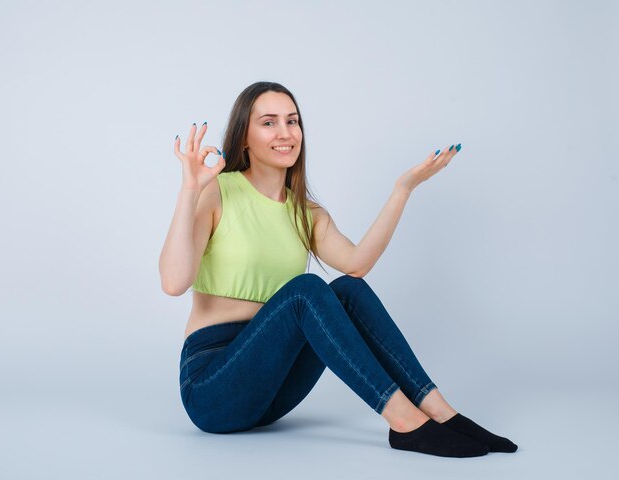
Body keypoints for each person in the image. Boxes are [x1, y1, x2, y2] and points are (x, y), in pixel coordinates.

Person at [158, 81, 518, 458]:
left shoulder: (306, 212)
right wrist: (190, 190)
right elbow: (173, 282)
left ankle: (443, 414)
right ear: (244, 137)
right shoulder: (218, 191)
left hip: (271, 393)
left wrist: (402, 189)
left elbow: (358, 263)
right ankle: (405, 423)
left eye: (292, 121)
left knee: (346, 288)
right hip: (213, 387)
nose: (285, 133)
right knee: (307, 290)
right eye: (269, 123)